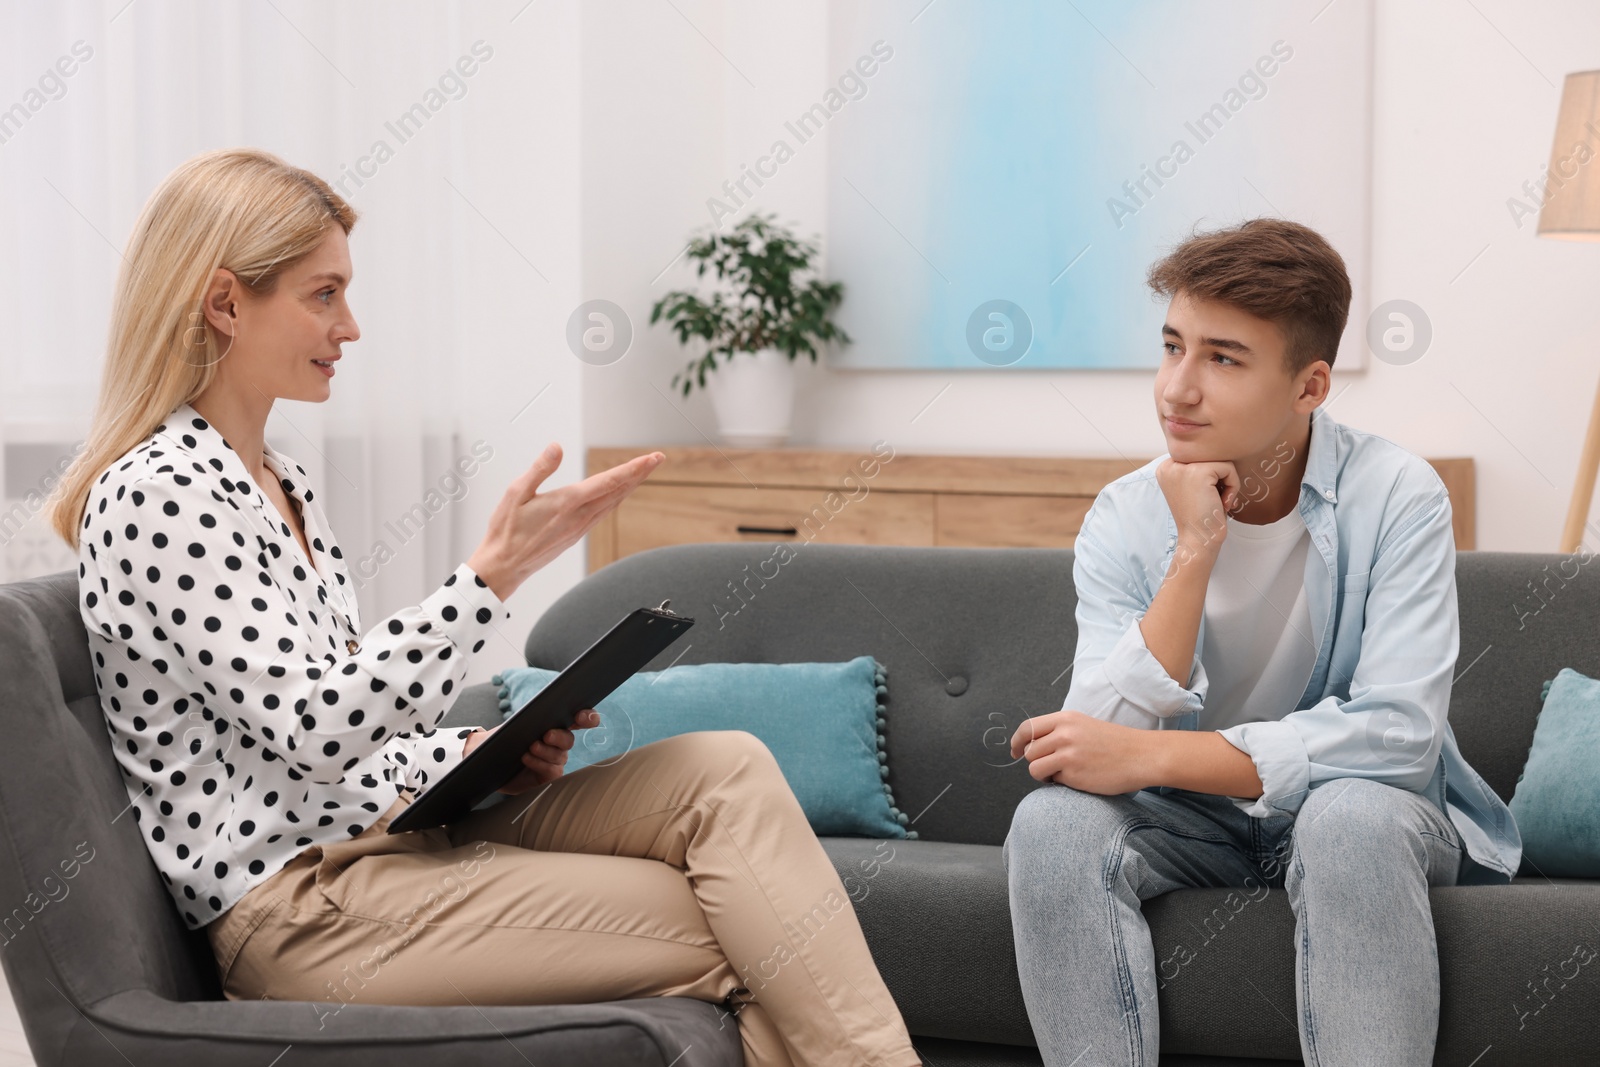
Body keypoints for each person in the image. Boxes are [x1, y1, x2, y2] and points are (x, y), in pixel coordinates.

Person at [50, 146, 922, 1067]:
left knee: (724, 768)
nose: (350, 326)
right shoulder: (159, 492)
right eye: (323, 294)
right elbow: (313, 726)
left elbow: (330, 735)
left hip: (380, 832)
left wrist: (475, 756)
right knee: (753, 928)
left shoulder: (279, 480)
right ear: (226, 303)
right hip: (303, 910)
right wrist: (489, 580)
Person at [1001, 218, 1521, 1067]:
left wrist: (1161, 757)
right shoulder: (1128, 513)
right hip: (1192, 826)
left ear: (1311, 385)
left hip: (1363, 814)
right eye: (1172, 347)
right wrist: (1194, 551)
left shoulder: (1397, 495)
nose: (1177, 388)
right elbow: (1094, 739)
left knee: (1346, 817)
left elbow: (1398, 734)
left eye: (1223, 358)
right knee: (1051, 823)